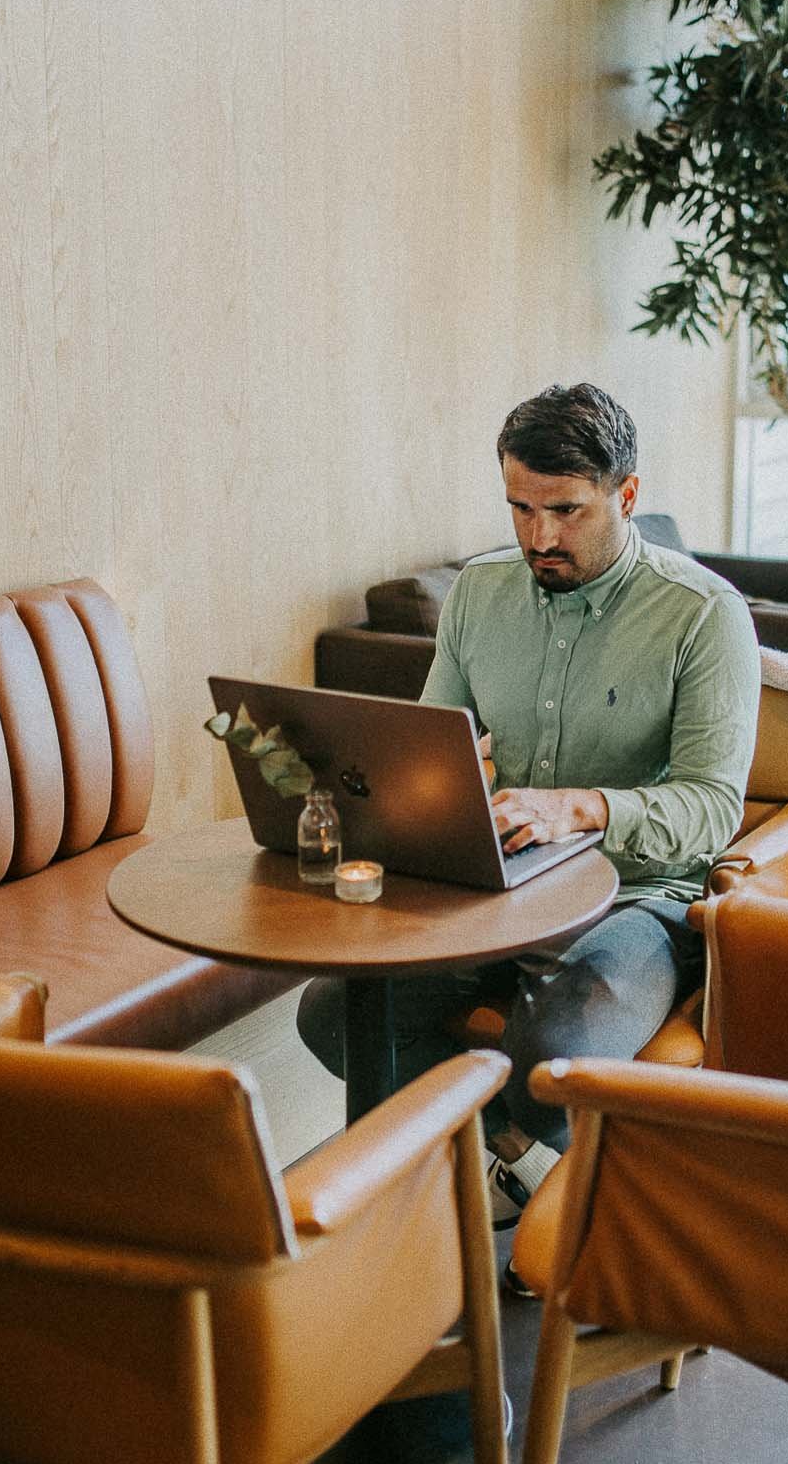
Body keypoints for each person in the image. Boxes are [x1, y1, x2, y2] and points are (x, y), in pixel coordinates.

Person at [297, 382, 761, 1208]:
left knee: (555, 1045)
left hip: (639, 896)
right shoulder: (479, 593)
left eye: (567, 511)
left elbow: (713, 808)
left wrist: (578, 806)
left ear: (627, 495)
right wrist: (435, 785)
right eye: (519, 508)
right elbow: (430, 743)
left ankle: (528, 1175)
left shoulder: (703, 616)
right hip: (499, 886)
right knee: (333, 1015)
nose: (540, 538)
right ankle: (521, 1158)